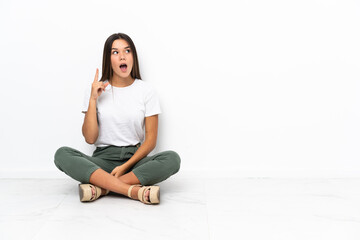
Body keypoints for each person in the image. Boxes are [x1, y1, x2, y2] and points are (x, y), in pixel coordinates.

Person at [54, 33, 181, 205]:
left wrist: (124, 167)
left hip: (135, 160)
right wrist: (93, 99)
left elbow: (150, 141)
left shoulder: (146, 91)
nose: (122, 56)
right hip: (103, 160)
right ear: (108, 59)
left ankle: (102, 188)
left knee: (172, 159)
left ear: (133, 57)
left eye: (127, 51)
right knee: (62, 154)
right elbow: (90, 138)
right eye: (115, 52)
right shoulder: (95, 91)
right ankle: (133, 191)